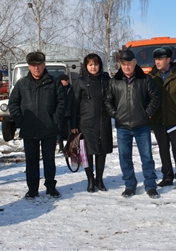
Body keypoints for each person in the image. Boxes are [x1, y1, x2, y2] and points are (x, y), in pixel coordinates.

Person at [8, 51, 66, 199]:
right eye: (33, 65)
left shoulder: (54, 82)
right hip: (29, 129)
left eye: (39, 65)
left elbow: (62, 102)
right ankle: (32, 189)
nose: (36, 68)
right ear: (29, 66)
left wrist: (55, 119)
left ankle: (51, 187)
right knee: (31, 161)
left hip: (49, 128)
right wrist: (21, 121)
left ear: (44, 64)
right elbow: (13, 104)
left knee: (49, 160)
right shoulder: (22, 84)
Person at [104, 49, 160, 199]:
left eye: (129, 63)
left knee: (147, 156)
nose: (126, 66)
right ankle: (130, 185)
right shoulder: (114, 81)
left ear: (135, 63)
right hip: (123, 127)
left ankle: (150, 185)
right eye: (123, 64)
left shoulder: (145, 80)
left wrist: (147, 112)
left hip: (141, 125)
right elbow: (108, 100)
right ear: (120, 65)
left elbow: (155, 97)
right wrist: (115, 114)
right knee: (125, 157)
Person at [149, 47, 176, 189]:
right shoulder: (152, 76)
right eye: (156, 59)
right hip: (158, 120)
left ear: (168, 60)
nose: (157, 62)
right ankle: (167, 176)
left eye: (160, 59)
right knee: (163, 150)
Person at [71, 53, 112, 193]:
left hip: (103, 121)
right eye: (90, 64)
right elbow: (74, 104)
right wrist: (73, 125)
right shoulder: (80, 81)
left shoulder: (106, 80)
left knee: (101, 152)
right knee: (87, 153)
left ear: (100, 65)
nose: (93, 67)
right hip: (86, 123)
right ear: (86, 66)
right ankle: (90, 180)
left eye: (95, 64)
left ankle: (99, 180)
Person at [57, 74, 74, 154]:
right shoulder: (57, 89)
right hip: (61, 114)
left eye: (67, 79)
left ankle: (69, 145)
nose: (67, 81)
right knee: (60, 130)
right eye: (65, 80)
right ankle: (61, 147)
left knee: (71, 130)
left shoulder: (71, 88)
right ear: (61, 81)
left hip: (70, 113)